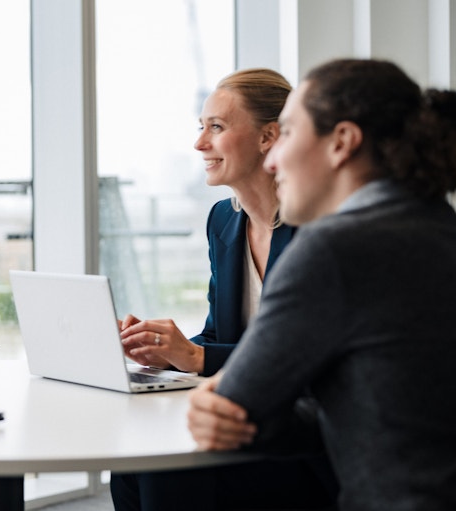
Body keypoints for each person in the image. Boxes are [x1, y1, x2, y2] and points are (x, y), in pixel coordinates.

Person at [188, 58, 456, 511]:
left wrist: (223, 407)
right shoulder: (438, 223)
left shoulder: (334, 248)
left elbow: (239, 406)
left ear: (342, 143)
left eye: (288, 133)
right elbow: (396, 407)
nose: (273, 157)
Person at [112, 69, 336, 511]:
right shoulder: (224, 222)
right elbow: (219, 338)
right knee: (130, 464)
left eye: (216, 127)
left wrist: (197, 357)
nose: (200, 144)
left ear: (268, 136)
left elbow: (305, 362)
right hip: (245, 417)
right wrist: (165, 349)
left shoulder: (317, 229)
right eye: (201, 127)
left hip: (301, 441)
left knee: (167, 470)